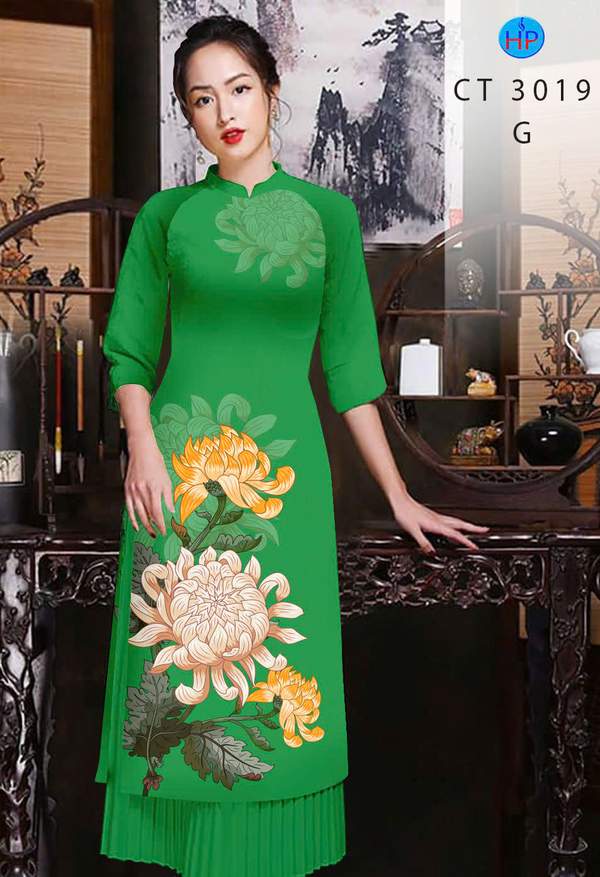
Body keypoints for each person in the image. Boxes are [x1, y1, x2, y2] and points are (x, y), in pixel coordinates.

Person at [95, 13, 489, 877]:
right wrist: (142, 445)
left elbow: (351, 372)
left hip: (283, 484)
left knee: (278, 676)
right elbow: (129, 349)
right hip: (177, 477)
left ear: (272, 92)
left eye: (239, 89)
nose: (224, 112)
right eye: (202, 99)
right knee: (184, 678)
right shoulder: (166, 217)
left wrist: (400, 495)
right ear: (187, 115)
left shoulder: (329, 217)